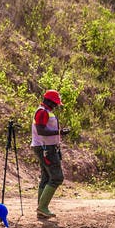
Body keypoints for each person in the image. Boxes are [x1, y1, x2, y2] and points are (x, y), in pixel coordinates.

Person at [32, 89, 69, 218]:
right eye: (55, 103)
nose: (56, 105)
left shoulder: (45, 111)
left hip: (45, 147)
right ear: (48, 101)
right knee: (57, 177)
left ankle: (41, 209)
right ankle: (42, 207)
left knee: (46, 177)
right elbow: (41, 131)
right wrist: (59, 132)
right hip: (46, 148)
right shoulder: (42, 112)